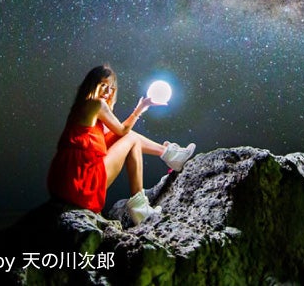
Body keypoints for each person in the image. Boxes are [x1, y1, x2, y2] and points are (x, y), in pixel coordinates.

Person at [47, 64, 195, 224]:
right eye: (102, 85)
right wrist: (140, 108)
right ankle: (141, 208)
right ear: (91, 84)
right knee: (131, 139)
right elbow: (123, 130)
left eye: (110, 88)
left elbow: (116, 134)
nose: (107, 91)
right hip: (81, 183)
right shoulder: (96, 104)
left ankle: (170, 154)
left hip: (64, 183)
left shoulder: (82, 106)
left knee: (129, 137)